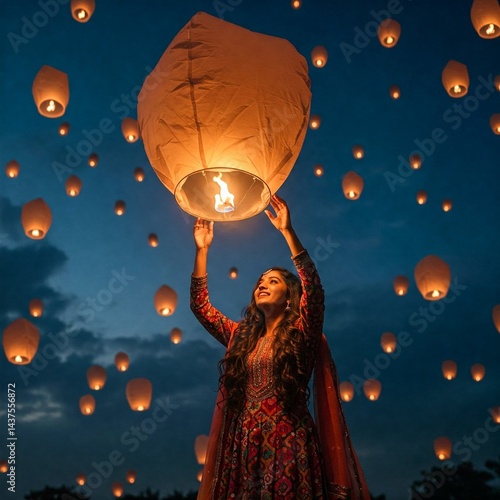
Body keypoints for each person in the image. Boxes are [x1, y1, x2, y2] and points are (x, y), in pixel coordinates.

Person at [190, 194, 369, 499]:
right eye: (260, 281)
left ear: (289, 298)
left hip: (290, 444)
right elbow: (200, 306)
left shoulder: (303, 334)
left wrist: (288, 232)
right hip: (244, 449)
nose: (262, 284)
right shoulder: (240, 337)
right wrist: (202, 249)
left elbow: (314, 289)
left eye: (273, 281)